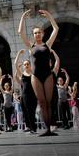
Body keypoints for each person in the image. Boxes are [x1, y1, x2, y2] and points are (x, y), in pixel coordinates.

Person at [18, 8, 59, 136]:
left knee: (48, 102)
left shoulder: (48, 45)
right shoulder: (31, 47)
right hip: (35, 76)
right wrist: (23, 17)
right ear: (33, 35)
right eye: (35, 33)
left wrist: (49, 15)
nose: (37, 35)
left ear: (42, 34)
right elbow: (20, 32)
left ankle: (49, 128)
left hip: (47, 75)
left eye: (39, 33)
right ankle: (46, 129)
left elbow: (56, 29)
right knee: (41, 103)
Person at [14, 50, 37, 134]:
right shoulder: (22, 74)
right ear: (23, 66)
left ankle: (33, 128)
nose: (26, 65)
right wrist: (19, 53)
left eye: (27, 64)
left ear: (30, 66)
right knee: (26, 111)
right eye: (25, 64)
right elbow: (15, 64)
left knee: (32, 111)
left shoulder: (33, 75)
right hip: (24, 96)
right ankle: (29, 127)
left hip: (33, 96)